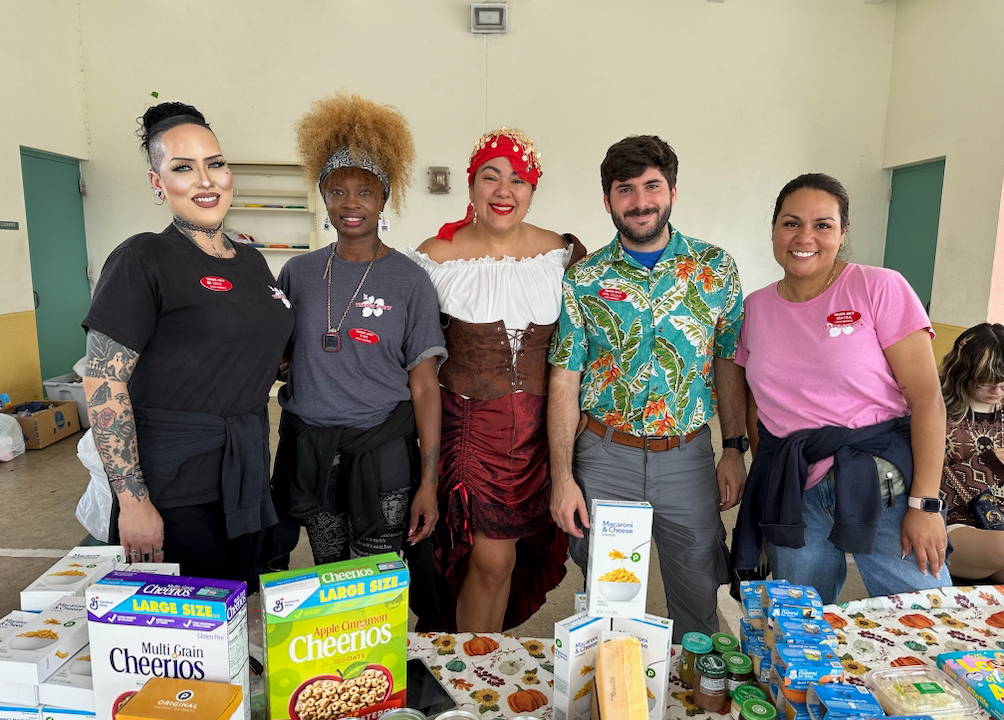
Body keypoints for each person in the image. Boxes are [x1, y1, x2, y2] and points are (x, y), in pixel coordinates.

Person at [81, 102, 294, 587]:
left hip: (244, 474)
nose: (205, 180)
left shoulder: (253, 263)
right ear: (158, 183)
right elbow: (103, 381)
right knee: (186, 643)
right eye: (182, 168)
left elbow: (248, 351)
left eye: (214, 163)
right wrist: (133, 502)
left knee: (236, 611)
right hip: (173, 487)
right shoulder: (144, 258)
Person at [548, 135, 746, 641]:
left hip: (687, 459)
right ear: (609, 200)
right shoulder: (583, 279)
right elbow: (565, 380)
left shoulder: (715, 269)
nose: (640, 201)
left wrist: (733, 449)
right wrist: (563, 478)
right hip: (606, 458)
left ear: (672, 191)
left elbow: (729, 362)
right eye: (625, 189)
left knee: (698, 598)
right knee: (610, 606)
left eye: (652, 186)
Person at [731, 172, 950, 604]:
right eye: (791, 223)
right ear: (774, 229)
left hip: (882, 483)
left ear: (842, 232)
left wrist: (925, 504)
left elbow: (927, 400)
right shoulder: (755, 307)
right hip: (799, 491)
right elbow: (755, 397)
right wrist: (768, 468)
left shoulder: (878, 287)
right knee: (801, 624)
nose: (804, 237)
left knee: (926, 613)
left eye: (823, 225)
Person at [409, 127, 585, 632]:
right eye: (491, 176)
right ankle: (471, 671)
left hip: (540, 435)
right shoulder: (435, 258)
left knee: (505, 562)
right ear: (471, 186)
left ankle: (473, 660)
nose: (504, 191)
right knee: (490, 560)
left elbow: (587, 350)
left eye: (519, 180)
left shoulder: (562, 256)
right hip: (468, 430)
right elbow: (416, 359)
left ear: (533, 190)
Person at [265, 94, 444, 570]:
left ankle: (375, 650)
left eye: (364, 192)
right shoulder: (297, 273)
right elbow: (277, 358)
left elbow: (425, 385)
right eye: (337, 190)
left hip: (382, 454)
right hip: (312, 453)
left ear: (383, 199)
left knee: (375, 578)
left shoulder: (410, 280)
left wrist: (429, 480)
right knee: (329, 568)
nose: (350, 204)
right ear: (323, 197)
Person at [940, 323, 1004, 582]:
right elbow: (926, 490)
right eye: (985, 382)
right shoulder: (935, 413)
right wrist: (989, 463)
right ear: (962, 373)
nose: (997, 391)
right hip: (954, 524)